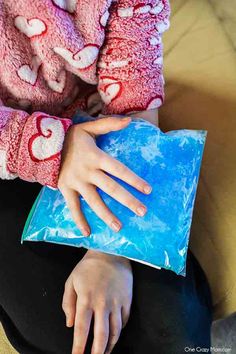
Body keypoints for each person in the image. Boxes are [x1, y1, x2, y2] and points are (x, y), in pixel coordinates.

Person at [0, 1, 212, 353]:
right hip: (9, 152)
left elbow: (134, 82)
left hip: (103, 125)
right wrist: (56, 151)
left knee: (176, 331)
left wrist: (109, 253)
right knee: (68, 337)